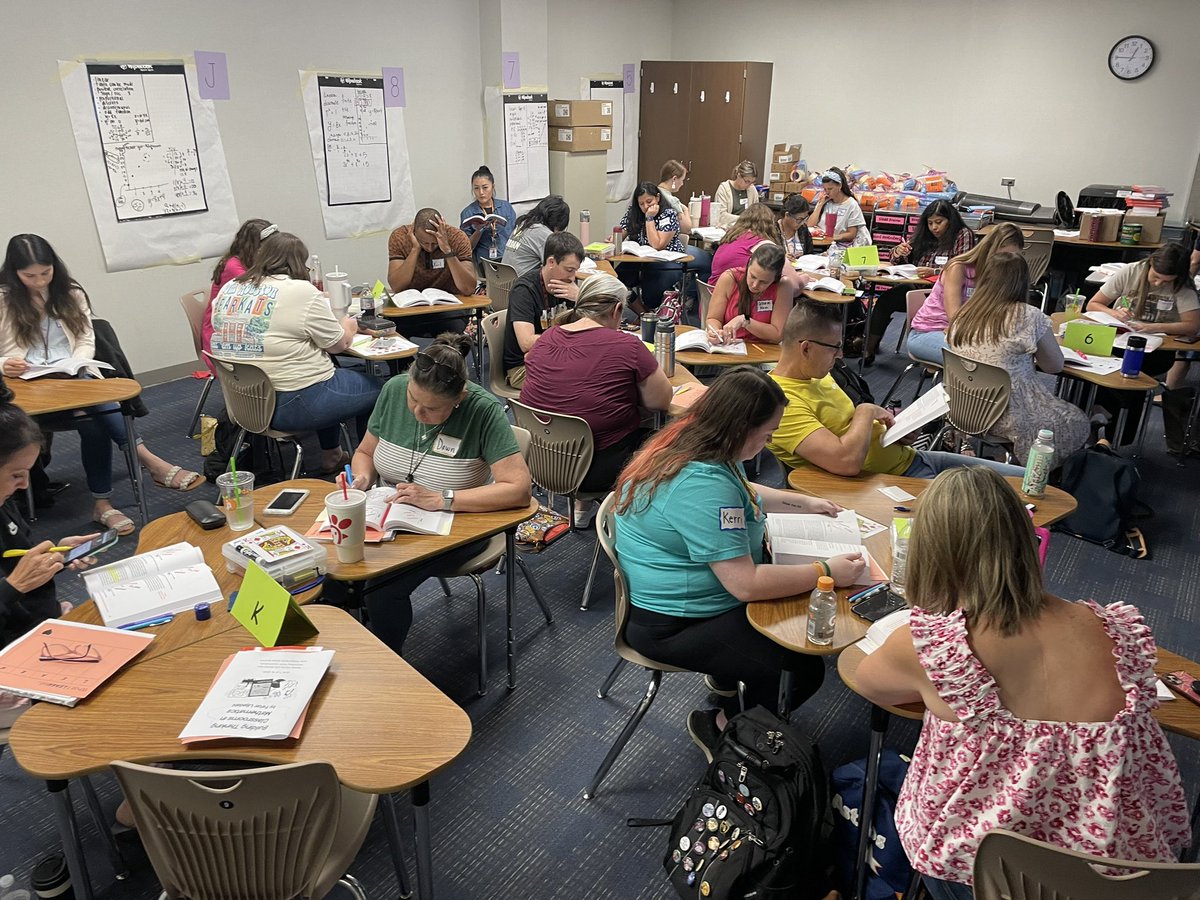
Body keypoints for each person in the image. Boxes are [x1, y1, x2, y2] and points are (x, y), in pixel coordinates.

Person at [855, 467, 1189, 899]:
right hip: (1111, 875)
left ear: (931, 551)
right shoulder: (1117, 631)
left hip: (984, 871)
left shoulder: (931, 646)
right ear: (1025, 539)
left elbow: (871, 684)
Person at [614, 367, 866, 757]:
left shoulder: (694, 442)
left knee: (791, 625)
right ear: (739, 428)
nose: (767, 444)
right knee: (801, 670)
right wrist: (827, 572)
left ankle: (729, 677)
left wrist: (802, 501)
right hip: (674, 623)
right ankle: (719, 723)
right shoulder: (699, 485)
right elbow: (745, 584)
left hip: (684, 597)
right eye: (766, 435)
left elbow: (740, 490)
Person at [0, 234, 204, 535]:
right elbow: (3, 350)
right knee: (98, 414)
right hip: (32, 387)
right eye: (30, 276)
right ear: (14, 273)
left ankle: (103, 504)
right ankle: (147, 461)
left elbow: (85, 338)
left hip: (73, 376)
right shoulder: (5, 298)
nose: (40, 282)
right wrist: (7, 363)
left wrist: (78, 362)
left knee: (95, 420)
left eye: (46, 273)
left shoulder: (70, 292)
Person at [344, 334, 532, 653]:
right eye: (412, 399)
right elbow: (364, 452)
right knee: (337, 566)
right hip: (394, 517)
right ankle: (352, 646)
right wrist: (361, 477)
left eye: (431, 409)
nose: (418, 412)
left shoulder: (482, 410)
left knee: (381, 587)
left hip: (458, 526)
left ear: (459, 397)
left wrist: (441, 499)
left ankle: (387, 667)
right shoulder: (392, 391)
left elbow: (519, 490)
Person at [766, 301, 1023, 480]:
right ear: (806, 348)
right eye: (834, 347)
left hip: (911, 458)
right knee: (1000, 509)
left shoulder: (815, 375)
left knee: (1026, 484)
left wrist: (895, 431)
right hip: (888, 482)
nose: (841, 354)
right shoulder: (780, 403)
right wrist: (865, 413)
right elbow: (845, 462)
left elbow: (847, 429)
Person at [210, 230, 380, 474]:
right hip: (294, 403)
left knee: (326, 370)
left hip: (244, 404)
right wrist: (349, 326)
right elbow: (338, 345)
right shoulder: (301, 291)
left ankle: (332, 453)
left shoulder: (231, 288)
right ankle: (368, 469)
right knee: (382, 389)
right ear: (299, 262)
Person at [520, 274, 672, 527]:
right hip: (593, 471)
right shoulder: (627, 346)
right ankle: (643, 528)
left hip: (540, 461)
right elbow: (662, 401)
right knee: (666, 437)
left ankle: (582, 506)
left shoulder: (545, 339)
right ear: (618, 309)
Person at [0, 376, 100, 727]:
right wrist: (14, 587)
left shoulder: (2, 503)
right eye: (16, 474)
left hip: (36, 624)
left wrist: (53, 557)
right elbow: (12, 581)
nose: (25, 485)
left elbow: (15, 555)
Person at [947, 252, 1089, 460]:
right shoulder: (1029, 316)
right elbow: (1054, 366)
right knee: (1076, 419)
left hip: (963, 407)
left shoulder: (964, 313)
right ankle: (1046, 473)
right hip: (1006, 414)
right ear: (1023, 282)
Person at [867, 201, 974, 364]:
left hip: (944, 295)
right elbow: (896, 260)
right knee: (884, 301)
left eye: (939, 222)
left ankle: (929, 355)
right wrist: (898, 251)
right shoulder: (924, 235)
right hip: (917, 288)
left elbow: (963, 267)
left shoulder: (962, 234)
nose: (934, 228)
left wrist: (936, 272)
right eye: (930, 223)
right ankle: (868, 350)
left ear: (950, 221)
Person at [907, 223, 1025, 366]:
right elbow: (954, 318)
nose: (1007, 262)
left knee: (1009, 355)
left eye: (1013, 257)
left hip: (966, 333)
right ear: (989, 248)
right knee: (977, 359)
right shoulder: (958, 267)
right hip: (928, 333)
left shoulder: (1000, 273)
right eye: (1003, 256)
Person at [1085, 243, 1199, 390]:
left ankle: (1113, 410)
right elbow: (1093, 304)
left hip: (1157, 348)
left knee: (1132, 377)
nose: (1158, 283)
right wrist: (1115, 313)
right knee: (1097, 369)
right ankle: (1102, 408)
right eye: (1156, 276)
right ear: (1150, 263)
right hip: (1119, 339)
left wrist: (1153, 327)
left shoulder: (1182, 285)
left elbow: (1193, 326)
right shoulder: (1131, 271)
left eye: (1166, 281)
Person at [501, 232, 584, 388]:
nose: (573, 277)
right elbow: (526, 343)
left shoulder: (570, 286)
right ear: (551, 262)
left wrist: (580, 297)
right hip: (523, 368)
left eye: (575, 271)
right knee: (583, 380)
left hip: (558, 356)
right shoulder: (525, 290)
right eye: (569, 270)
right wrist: (569, 339)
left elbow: (591, 324)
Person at [387, 207, 475, 336]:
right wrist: (415, 249)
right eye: (424, 242)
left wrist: (447, 250)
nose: (429, 248)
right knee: (396, 329)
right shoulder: (400, 236)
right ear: (413, 231)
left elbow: (468, 288)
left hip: (449, 307)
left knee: (454, 335)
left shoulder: (457, 237)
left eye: (434, 243)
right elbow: (397, 286)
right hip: (411, 307)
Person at [615, 182, 702, 312]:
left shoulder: (668, 214)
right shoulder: (634, 212)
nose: (645, 207)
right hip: (641, 259)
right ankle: (643, 314)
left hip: (667, 262)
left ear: (658, 198)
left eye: (649, 201)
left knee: (651, 293)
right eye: (641, 204)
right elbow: (621, 233)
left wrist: (649, 218)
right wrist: (614, 239)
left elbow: (657, 245)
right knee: (617, 281)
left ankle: (650, 313)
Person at [203, 218, 272, 367]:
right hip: (223, 336)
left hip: (238, 324)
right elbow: (262, 292)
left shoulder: (248, 261)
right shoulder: (234, 267)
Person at [710, 205, 812, 294]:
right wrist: (804, 279)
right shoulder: (764, 246)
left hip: (712, 298)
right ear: (770, 224)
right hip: (734, 303)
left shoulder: (731, 238)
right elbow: (794, 287)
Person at [705, 243, 794, 345]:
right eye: (752, 276)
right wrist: (715, 332)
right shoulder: (729, 278)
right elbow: (713, 318)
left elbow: (777, 335)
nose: (755, 285)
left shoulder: (783, 286)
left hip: (765, 350)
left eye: (764, 282)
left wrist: (745, 321)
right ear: (748, 264)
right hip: (729, 347)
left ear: (775, 278)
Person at [459, 165, 517, 271]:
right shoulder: (468, 212)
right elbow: (466, 248)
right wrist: (478, 231)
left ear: (493, 187)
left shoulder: (505, 207)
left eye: (485, 187)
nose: (481, 192)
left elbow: (515, 235)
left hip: (508, 258)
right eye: (476, 188)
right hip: (485, 262)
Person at [502, 194, 571, 276]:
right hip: (521, 285)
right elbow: (558, 264)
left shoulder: (524, 223)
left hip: (502, 284)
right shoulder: (542, 233)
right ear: (557, 223)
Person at [806, 167, 871, 250]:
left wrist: (835, 237)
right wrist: (821, 205)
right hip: (820, 244)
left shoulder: (851, 204)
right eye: (825, 189)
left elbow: (852, 234)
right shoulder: (825, 201)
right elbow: (810, 225)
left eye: (830, 189)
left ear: (839, 186)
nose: (827, 192)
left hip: (840, 246)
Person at [713, 160, 760, 228]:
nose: (749, 185)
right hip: (728, 229)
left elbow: (756, 214)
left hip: (748, 229)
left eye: (752, 182)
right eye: (747, 181)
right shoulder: (724, 189)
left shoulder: (752, 189)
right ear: (739, 175)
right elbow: (721, 215)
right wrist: (744, 219)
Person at [657, 159, 695, 234]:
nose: (682, 184)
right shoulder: (672, 201)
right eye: (682, 180)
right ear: (674, 179)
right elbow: (686, 229)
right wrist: (686, 210)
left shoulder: (652, 193)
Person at [779, 194, 814, 260]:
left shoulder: (803, 229)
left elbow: (809, 254)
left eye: (805, 219)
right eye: (799, 219)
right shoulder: (773, 231)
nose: (802, 223)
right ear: (787, 215)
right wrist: (782, 258)